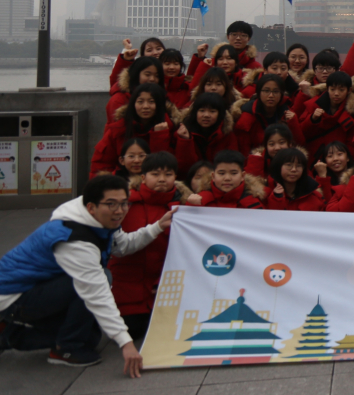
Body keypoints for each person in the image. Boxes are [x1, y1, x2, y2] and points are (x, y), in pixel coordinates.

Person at [0, 175, 173, 376]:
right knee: (99, 282)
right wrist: (126, 344)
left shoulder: (96, 216)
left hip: (37, 286)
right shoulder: (74, 240)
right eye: (111, 204)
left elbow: (122, 245)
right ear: (91, 207)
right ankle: (61, 348)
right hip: (12, 296)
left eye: (124, 203)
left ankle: (12, 333)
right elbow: (96, 293)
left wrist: (157, 226)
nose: (119, 211)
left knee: (90, 338)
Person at [108, 153, 184, 339]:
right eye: (155, 174)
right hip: (129, 289)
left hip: (166, 287)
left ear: (175, 178)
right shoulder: (125, 205)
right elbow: (118, 249)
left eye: (168, 174)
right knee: (133, 331)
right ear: (143, 177)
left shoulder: (183, 208)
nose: (162, 179)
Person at [184, 150, 265, 209]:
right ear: (213, 176)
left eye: (233, 173)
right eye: (221, 173)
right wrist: (192, 206)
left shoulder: (253, 204)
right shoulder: (201, 201)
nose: (227, 178)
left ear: (243, 176)